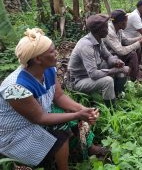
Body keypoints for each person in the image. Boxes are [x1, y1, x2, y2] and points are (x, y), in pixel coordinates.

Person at [0, 28, 109, 170]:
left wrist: (82, 110)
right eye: (51, 51)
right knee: (60, 128)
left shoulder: (48, 69)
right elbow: (39, 118)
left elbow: (59, 96)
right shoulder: (15, 87)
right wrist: (76, 114)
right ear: (38, 59)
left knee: (72, 115)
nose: (56, 53)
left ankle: (89, 148)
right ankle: (63, 167)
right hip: (17, 132)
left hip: (38, 115)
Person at [68, 14, 129, 108]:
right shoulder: (86, 46)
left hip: (90, 74)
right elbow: (94, 74)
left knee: (118, 64)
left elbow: (108, 56)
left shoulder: (98, 40)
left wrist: (116, 62)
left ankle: (117, 96)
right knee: (107, 81)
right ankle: (111, 110)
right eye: (105, 27)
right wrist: (116, 70)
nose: (108, 29)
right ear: (98, 30)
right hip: (78, 80)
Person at [104, 9, 142, 81]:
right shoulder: (110, 32)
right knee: (132, 53)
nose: (127, 23)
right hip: (109, 57)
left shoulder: (118, 28)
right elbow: (121, 51)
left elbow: (126, 41)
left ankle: (135, 73)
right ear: (121, 23)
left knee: (135, 50)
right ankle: (135, 77)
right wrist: (140, 43)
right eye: (126, 21)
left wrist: (140, 38)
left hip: (115, 53)